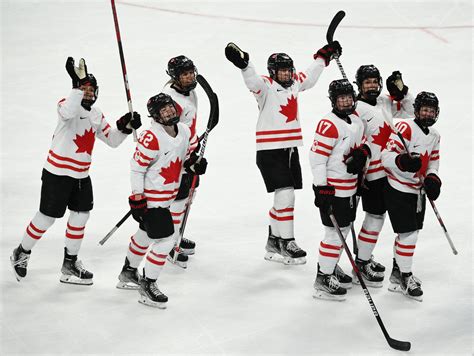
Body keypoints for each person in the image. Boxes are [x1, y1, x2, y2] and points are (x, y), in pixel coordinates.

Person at [10, 57, 142, 285]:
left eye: (91, 90)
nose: (88, 93)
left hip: (81, 175)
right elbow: (68, 112)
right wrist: (75, 85)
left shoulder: (96, 113)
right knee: (46, 218)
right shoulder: (66, 104)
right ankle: (21, 252)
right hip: (57, 174)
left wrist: (125, 127)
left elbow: (111, 140)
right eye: (84, 89)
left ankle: (70, 261)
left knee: (81, 215)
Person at [225, 40, 342, 265]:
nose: (287, 74)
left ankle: (273, 240)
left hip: (289, 148)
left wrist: (322, 58)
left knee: (284, 196)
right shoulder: (266, 86)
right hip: (269, 149)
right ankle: (287, 241)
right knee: (286, 194)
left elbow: (309, 76)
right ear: (273, 72)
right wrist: (244, 65)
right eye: (282, 71)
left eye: (289, 70)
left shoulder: (294, 83)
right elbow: (253, 82)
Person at [116, 93, 207, 308]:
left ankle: (128, 272)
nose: (168, 112)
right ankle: (148, 284)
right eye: (163, 110)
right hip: (152, 200)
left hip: (169, 195)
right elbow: (137, 169)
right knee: (167, 239)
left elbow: (185, 160)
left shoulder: (184, 131)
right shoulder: (150, 137)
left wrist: (194, 165)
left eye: (170, 108)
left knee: (145, 236)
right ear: (155, 116)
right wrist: (137, 198)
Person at [352, 65, 415, 287]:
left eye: (374, 81)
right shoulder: (355, 108)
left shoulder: (384, 101)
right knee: (375, 218)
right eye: (366, 82)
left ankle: (365, 258)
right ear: (359, 84)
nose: (371, 86)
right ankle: (361, 261)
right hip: (372, 173)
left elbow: (411, 113)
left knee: (386, 218)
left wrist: (403, 93)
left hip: (392, 170)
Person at [309, 79, 369, 301]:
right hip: (333, 190)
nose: (346, 101)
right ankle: (323, 277)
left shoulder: (356, 120)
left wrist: (362, 154)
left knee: (343, 230)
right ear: (333, 100)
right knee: (334, 234)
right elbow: (316, 160)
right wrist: (322, 189)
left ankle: (330, 266)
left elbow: (363, 144)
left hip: (350, 188)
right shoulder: (328, 124)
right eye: (341, 98)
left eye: (348, 97)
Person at [381, 91, 442, 302]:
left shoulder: (434, 135)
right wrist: (402, 161)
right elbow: (385, 156)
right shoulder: (405, 127)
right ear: (416, 110)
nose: (427, 114)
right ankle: (405, 277)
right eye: (424, 109)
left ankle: (397, 273)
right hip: (397, 188)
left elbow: (433, 161)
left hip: (418, 191)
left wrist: (433, 178)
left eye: (431, 111)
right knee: (409, 235)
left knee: (409, 234)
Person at [162, 55, 200, 268]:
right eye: (184, 74)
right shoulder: (169, 98)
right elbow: (166, 131)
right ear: (175, 77)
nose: (189, 77)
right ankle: (168, 244)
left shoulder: (191, 92)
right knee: (177, 201)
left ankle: (176, 234)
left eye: (190, 72)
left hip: (191, 153)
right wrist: (181, 157)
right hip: (178, 158)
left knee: (187, 197)